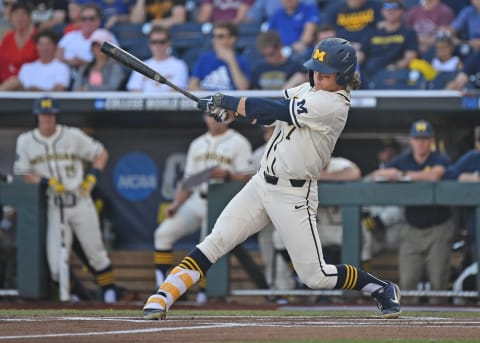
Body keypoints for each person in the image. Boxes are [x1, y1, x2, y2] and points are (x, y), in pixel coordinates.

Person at [143, 37, 402, 320]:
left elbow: (276, 111)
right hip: (260, 184)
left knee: (316, 276)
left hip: (294, 195)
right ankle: (163, 295)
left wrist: (225, 99)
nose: (317, 76)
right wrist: (230, 112)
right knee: (216, 240)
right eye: (316, 70)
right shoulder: (309, 87)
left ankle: (382, 288)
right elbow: (268, 113)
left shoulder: (334, 105)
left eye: (325, 73)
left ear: (342, 76)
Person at [13, 96, 121, 303]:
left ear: (56, 116)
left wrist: (91, 178)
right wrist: (46, 182)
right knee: (56, 265)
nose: (47, 119)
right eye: (44, 115)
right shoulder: (26, 141)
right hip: (55, 204)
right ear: (37, 116)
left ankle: (109, 293)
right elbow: (23, 173)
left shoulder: (72, 135)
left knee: (96, 253)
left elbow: (101, 154)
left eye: (51, 114)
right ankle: (76, 297)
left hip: (80, 200)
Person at [152, 113, 252, 305]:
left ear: (227, 117)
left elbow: (248, 178)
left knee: (206, 243)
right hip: (197, 199)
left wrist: (227, 175)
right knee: (163, 233)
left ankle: (204, 292)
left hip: (222, 202)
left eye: (217, 114)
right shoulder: (197, 143)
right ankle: (162, 287)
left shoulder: (239, 142)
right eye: (209, 114)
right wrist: (175, 204)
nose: (212, 118)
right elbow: (189, 181)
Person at [372, 119, 453, 304]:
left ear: (431, 140)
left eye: (425, 139)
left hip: (438, 228)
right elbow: (378, 174)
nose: (421, 143)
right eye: (417, 138)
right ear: (411, 140)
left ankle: (440, 328)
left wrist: (404, 176)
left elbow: (435, 174)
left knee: (438, 283)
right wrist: (391, 174)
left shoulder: (439, 158)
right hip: (412, 228)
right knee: (407, 283)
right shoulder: (404, 159)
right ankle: (408, 329)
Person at [358, 0, 418, 83]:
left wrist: (395, 66)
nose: (391, 11)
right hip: (369, 74)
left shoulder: (408, 33)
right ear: (382, 11)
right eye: (387, 8)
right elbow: (360, 54)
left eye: (395, 8)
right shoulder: (372, 33)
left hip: (393, 74)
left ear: (402, 11)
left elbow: (410, 56)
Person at [188, 21, 250, 91]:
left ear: (232, 39)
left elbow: (243, 88)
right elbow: (192, 85)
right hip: (207, 100)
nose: (215, 40)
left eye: (220, 36)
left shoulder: (242, 60)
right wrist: (208, 99)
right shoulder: (204, 58)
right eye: (214, 36)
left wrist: (232, 62)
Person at [126, 25, 188, 92]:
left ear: (169, 43)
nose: (158, 45)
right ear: (149, 44)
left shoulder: (179, 65)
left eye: (162, 42)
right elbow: (134, 90)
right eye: (154, 42)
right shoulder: (141, 65)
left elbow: (177, 92)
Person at [0, 2, 38, 91]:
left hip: (29, 84)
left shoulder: (37, 37)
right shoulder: (8, 37)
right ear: (11, 18)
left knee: (14, 81)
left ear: (29, 18)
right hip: (6, 83)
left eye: (23, 14)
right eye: (16, 14)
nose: (19, 18)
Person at [55, 3, 104, 71]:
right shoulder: (69, 36)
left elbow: (107, 64)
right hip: (66, 73)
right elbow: (58, 57)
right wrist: (69, 61)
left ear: (99, 20)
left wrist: (82, 63)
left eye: (91, 18)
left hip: (91, 75)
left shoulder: (105, 37)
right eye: (84, 19)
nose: (87, 21)